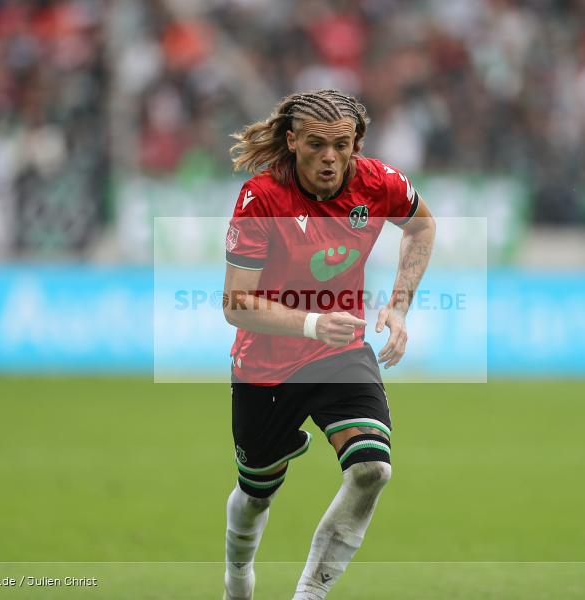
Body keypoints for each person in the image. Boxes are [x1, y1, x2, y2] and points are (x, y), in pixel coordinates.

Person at [221, 90, 436, 600]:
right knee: (256, 494)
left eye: (341, 145)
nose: (330, 157)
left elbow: (422, 226)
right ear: (292, 142)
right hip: (266, 364)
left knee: (371, 469)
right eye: (317, 144)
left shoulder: (378, 183)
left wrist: (398, 304)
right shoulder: (262, 198)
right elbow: (235, 304)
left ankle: (309, 595)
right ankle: (236, 583)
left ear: (356, 143)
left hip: (340, 354)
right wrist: (313, 323)